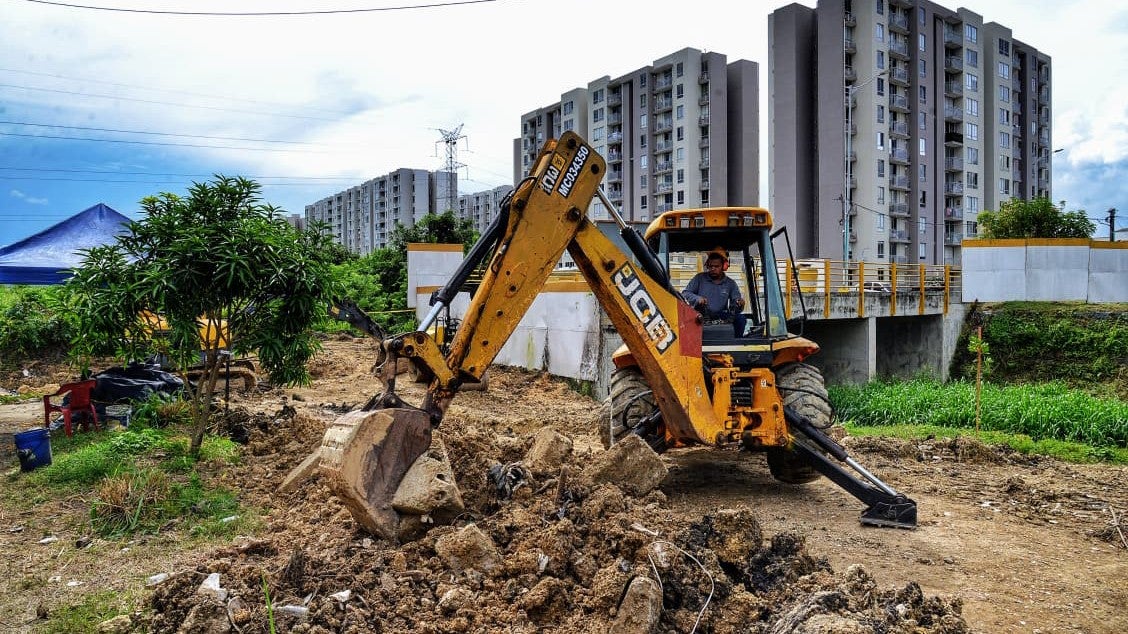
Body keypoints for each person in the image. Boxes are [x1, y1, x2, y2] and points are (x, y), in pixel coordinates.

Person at [682, 248, 747, 337]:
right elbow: (685, 293)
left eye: (716, 266)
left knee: (741, 319)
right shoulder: (699, 278)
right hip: (701, 314)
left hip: (721, 314)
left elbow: (735, 303)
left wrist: (740, 303)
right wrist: (697, 299)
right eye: (711, 266)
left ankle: (736, 343)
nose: (713, 269)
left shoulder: (730, 283)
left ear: (723, 266)